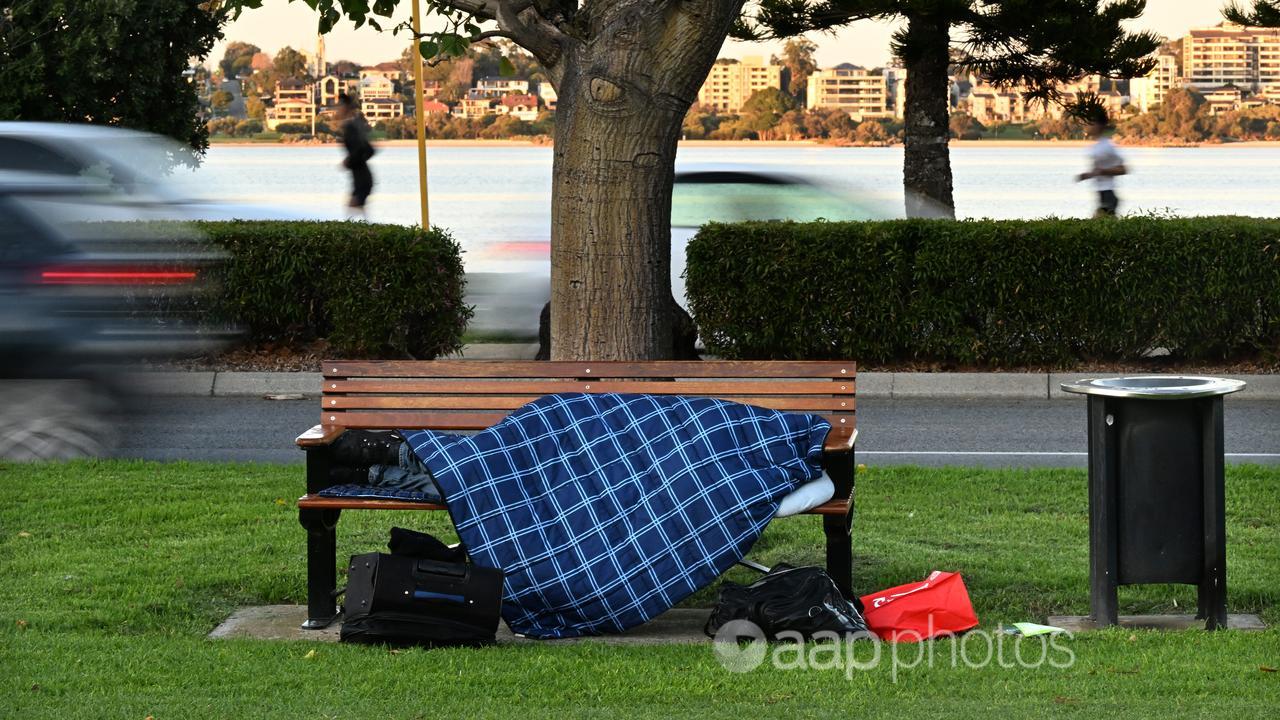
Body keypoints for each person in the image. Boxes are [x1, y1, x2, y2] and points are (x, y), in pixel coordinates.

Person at [1076, 110, 1126, 217]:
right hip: (1101, 194)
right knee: (1104, 226)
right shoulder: (1097, 146)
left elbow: (1123, 169)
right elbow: (1098, 171)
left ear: (1098, 125)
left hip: (1108, 194)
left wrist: (1102, 171)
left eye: (1090, 123)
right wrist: (1087, 175)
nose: (1086, 126)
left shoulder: (1107, 146)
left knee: (1099, 225)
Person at [335, 92, 375, 215]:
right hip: (361, 179)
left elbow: (365, 150)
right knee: (356, 214)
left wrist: (349, 161)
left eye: (339, 106)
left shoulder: (350, 127)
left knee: (351, 213)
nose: (338, 110)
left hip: (362, 180)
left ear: (345, 107)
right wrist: (351, 160)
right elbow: (368, 150)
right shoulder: (352, 125)